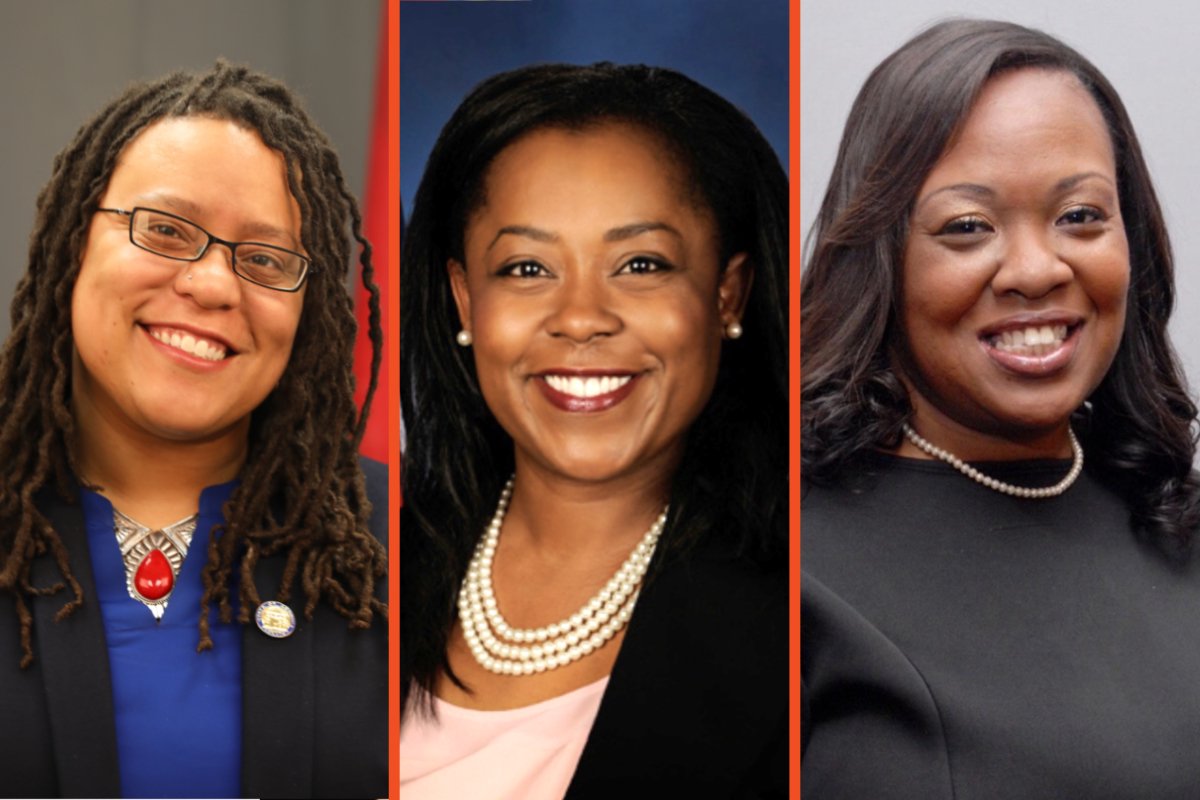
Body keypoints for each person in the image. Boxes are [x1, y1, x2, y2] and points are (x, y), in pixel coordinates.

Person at [801, 18, 1200, 798]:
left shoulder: (1178, 529)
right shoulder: (781, 562)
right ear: (882, 258)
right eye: (968, 227)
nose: (1035, 269)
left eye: (1080, 216)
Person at [400, 63, 789, 798]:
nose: (580, 317)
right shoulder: (366, 558)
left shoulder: (801, 612)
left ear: (727, 293)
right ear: (463, 300)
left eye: (640, 264)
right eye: (525, 268)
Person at [0, 61, 387, 799]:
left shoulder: (400, 548)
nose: (212, 284)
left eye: (266, 259)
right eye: (167, 230)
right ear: (75, 240)